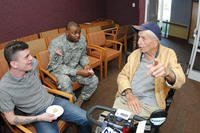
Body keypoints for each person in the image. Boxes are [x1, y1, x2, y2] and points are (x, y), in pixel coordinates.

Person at [0, 41, 92, 133]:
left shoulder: (32, 64)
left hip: (53, 101)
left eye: (30, 54)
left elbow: (37, 79)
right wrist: (39, 118)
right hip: (37, 114)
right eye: (26, 57)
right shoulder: (4, 88)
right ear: (14, 64)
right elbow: (11, 119)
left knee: (87, 119)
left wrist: (41, 87)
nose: (32, 58)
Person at [113, 22, 185, 118]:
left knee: (121, 123)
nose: (138, 42)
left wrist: (167, 72)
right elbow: (123, 75)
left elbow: (180, 79)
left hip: (149, 104)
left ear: (155, 42)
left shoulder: (168, 54)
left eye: (143, 38)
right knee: (106, 120)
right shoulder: (135, 54)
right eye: (139, 37)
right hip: (128, 97)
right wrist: (129, 94)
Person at [47, 21, 98, 105]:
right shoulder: (56, 43)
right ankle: (72, 101)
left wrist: (86, 65)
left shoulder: (81, 39)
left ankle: (82, 99)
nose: (78, 35)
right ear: (67, 32)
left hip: (74, 67)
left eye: (79, 32)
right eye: (74, 33)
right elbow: (56, 67)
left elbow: (83, 55)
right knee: (65, 82)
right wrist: (78, 72)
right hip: (59, 71)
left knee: (93, 80)